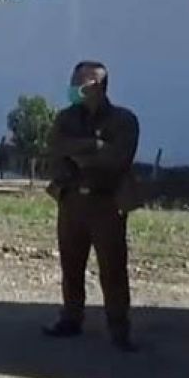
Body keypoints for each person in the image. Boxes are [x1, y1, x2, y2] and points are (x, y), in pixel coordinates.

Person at [43, 61, 140, 352]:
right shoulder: (65, 118)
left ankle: (119, 329)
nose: (73, 90)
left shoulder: (124, 120)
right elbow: (55, 149)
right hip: (71, 199)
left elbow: (118, 159)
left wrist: (84, 152)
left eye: (79, 84)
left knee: (112, 268)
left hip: (107, 202)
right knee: (71, 265)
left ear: (96, 86)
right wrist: (95, 146)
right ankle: (71, 318)